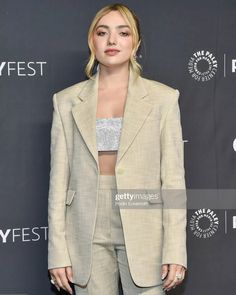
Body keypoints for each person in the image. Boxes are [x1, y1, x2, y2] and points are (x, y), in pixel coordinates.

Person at [48, 3, 187, 295]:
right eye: (103, 32)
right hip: (86, 225)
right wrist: (57, 251)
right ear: (92, 41)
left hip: (144, 222)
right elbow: (58, 181)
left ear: (135, 43)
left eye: (123, 33)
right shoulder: (67, 101)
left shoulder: (163, 99)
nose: (112, 41)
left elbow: (173, 179)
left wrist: (175, 248)